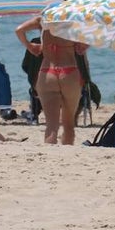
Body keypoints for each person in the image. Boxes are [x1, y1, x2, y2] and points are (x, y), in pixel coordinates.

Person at [15, 15, 88, 145]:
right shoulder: (74, 18)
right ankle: (67, 153)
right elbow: (94, 35)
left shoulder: (44, 18)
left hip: (47, 72)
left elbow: (19, 30)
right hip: (69, 72)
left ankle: (50, 152)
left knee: (51, 125)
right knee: (68, 123)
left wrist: (30, 46)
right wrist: (83, 46)